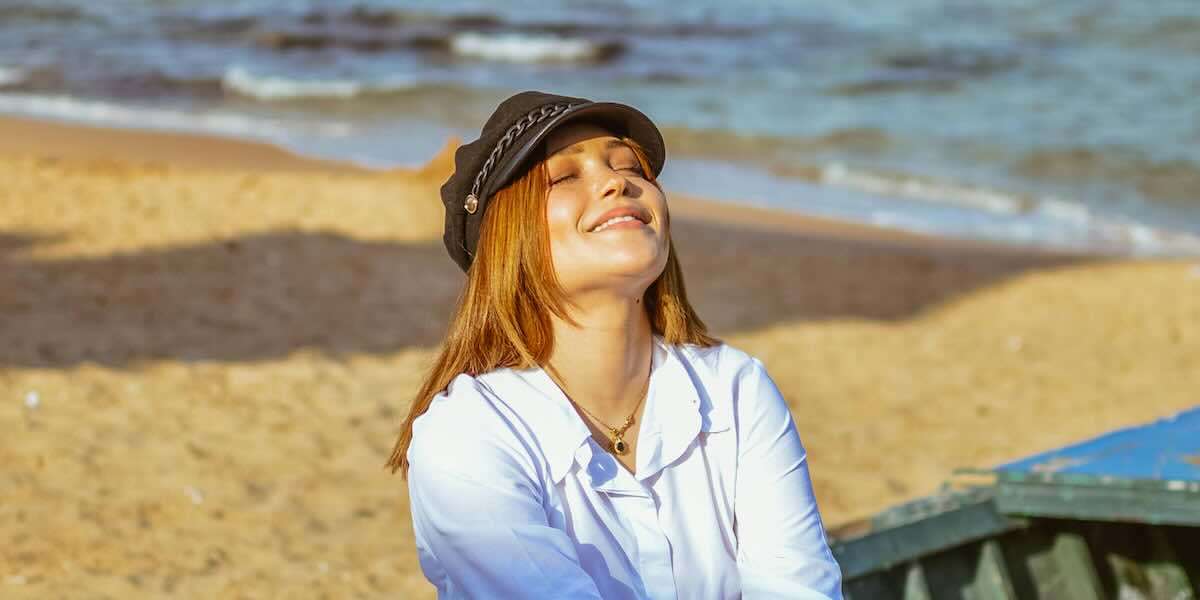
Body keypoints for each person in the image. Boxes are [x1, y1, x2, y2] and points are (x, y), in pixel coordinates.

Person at [386, 90, 843, 599]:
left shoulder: (735, 388)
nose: (616, 181)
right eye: (564, 177)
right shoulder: (467, 433)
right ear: (505, 240)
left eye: (632, 168)